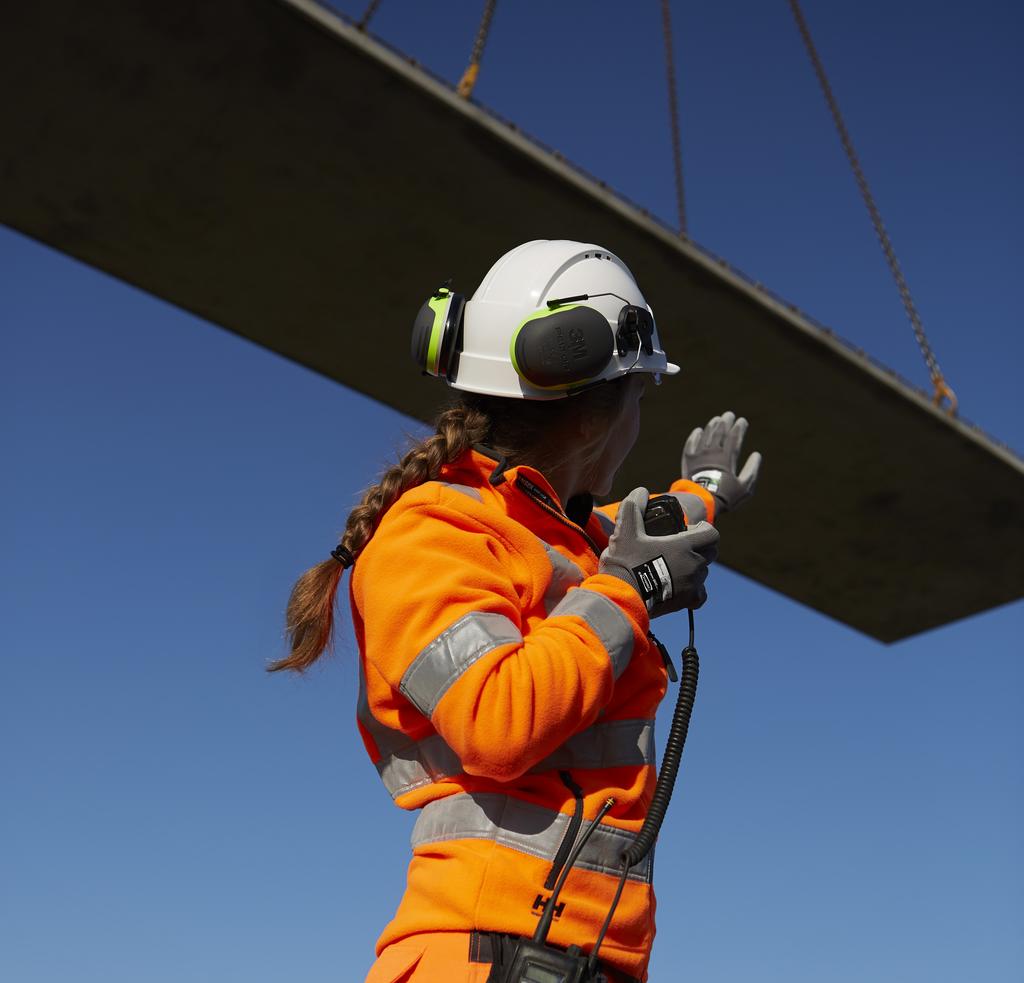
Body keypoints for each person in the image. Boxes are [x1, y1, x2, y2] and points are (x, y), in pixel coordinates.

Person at [271, 240, 761, 982]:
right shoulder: (431, 532)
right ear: (600, 414)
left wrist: (706, 491)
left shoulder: (566, 535)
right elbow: (496, 716)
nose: (639, 423)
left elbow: (644, 534)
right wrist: (630, 588)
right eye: (640, 397)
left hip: (573, 957)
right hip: (483, 951)